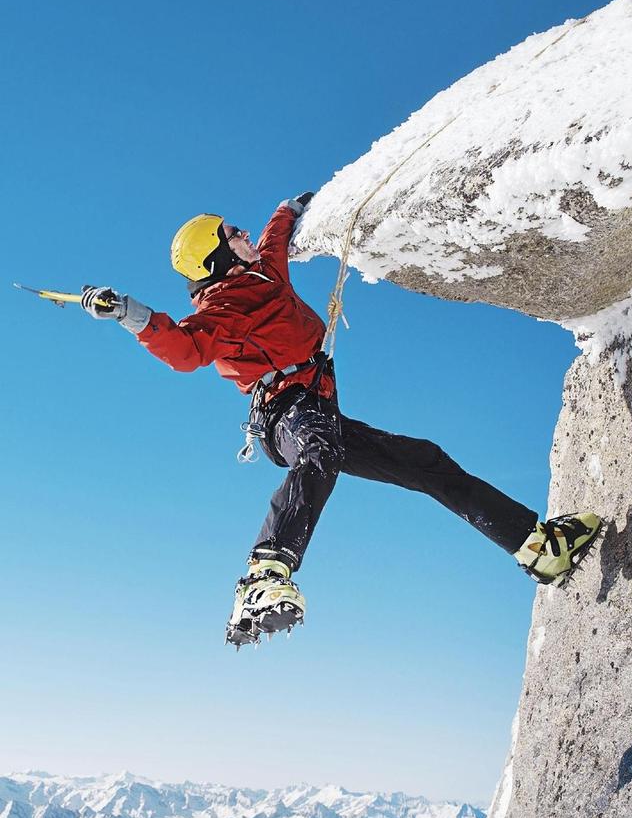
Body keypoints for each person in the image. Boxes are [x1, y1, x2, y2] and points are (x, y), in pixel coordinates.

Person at [81, 194, 602, 647]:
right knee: (319, 454)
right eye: (232, 233)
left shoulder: (263, 271)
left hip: (318, 409)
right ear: (219, 257)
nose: (243, 234)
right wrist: (131, 314)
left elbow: (274, 239)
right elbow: (185, 349)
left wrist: (290, 207)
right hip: (286, 413)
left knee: (424, 461)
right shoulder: (224, 306)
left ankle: (538, 547)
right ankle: (264, 575)